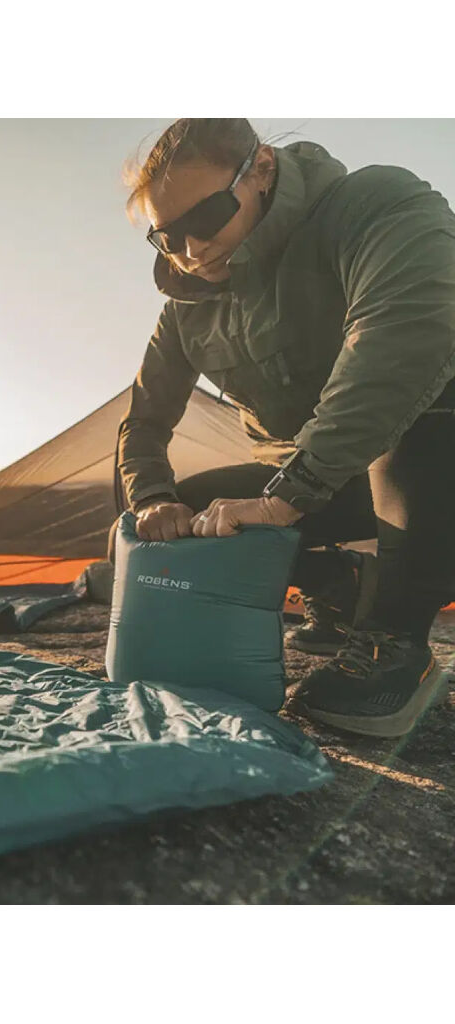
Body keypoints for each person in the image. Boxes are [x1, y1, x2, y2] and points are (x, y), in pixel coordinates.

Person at [114, 119, 455, 738]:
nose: (191, 250)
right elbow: (144, 422)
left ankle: (395, 644)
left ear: (262, 170)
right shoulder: (185, 311)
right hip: (319, 481)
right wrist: (154, 499)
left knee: (431, 420)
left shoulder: (376, 204)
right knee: (183, 513)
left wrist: (285, 498)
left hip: (424, 454)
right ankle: (340, 588)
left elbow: (400, 340)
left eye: (207, 216)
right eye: (167, 236)